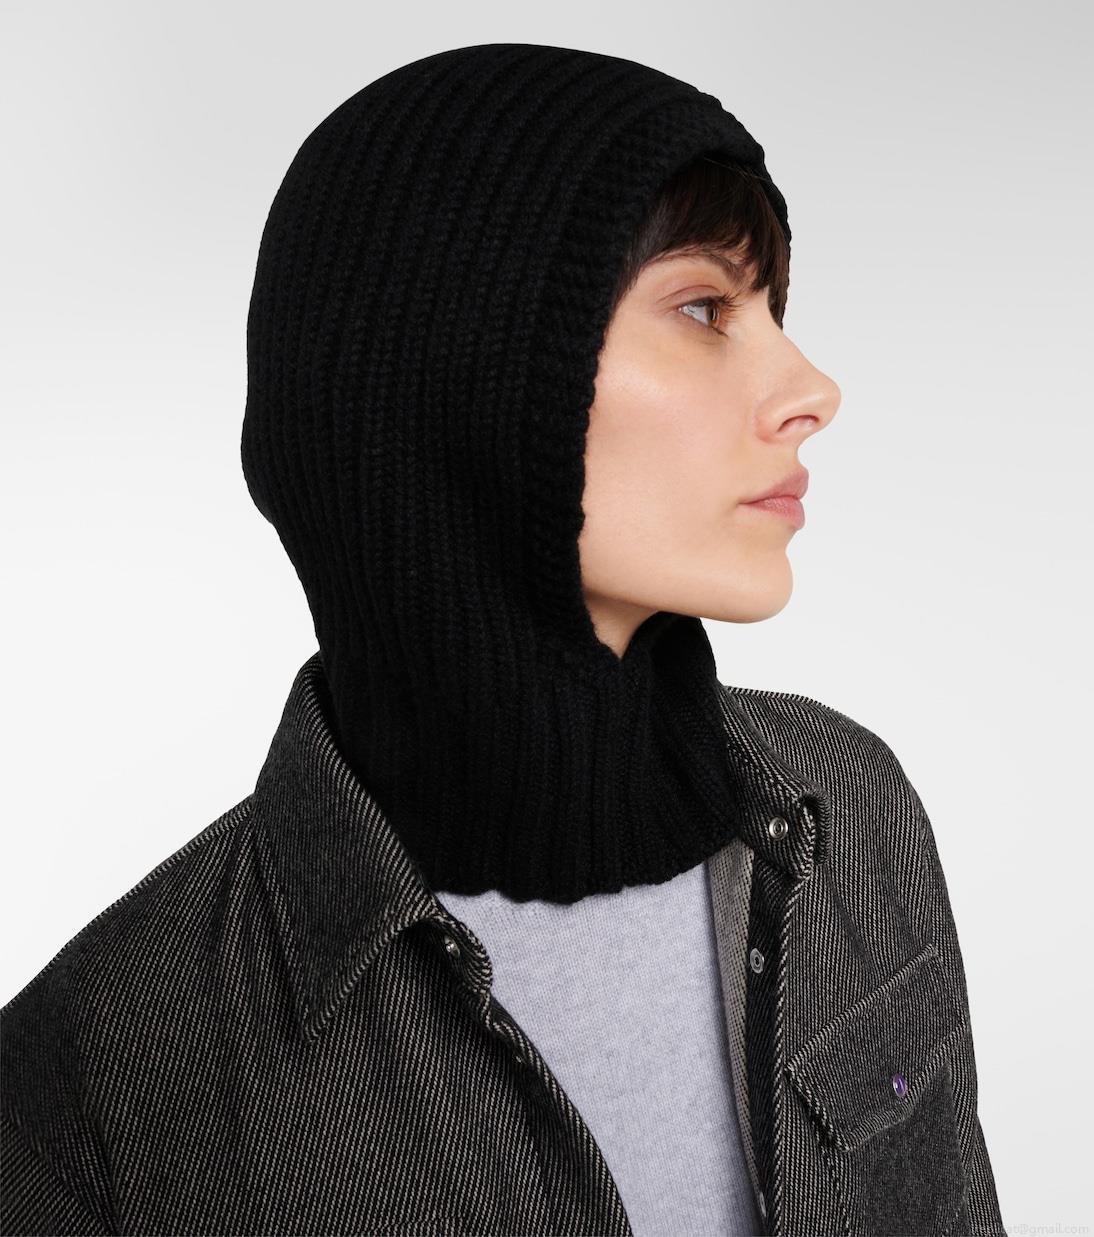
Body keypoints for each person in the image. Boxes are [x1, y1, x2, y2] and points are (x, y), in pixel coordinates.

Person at [1, 43, 1005, 1237]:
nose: (809, 388)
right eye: (703, 308)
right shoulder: (98, 1071)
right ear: (463, 367)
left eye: (771, 310)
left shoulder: (851, 807)